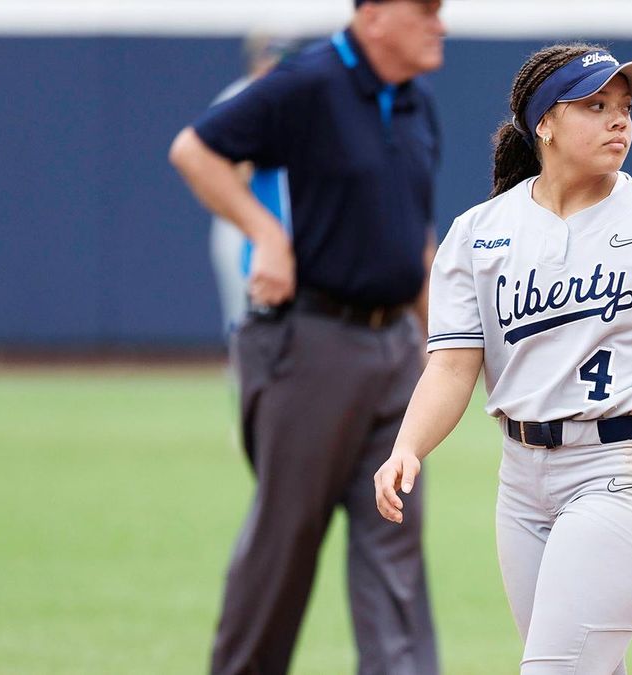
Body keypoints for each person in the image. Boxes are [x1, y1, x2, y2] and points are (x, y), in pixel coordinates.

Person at [375, 43, 632, 673]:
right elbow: (450, 366)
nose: (618, 120)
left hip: (624, 470)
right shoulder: (479, 233)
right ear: (544, 125)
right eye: (595, 105)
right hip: (520, 484)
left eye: (625, 108)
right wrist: (407, 446)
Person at [168, 1, 445, 673]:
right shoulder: (308, 82)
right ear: (375, 15)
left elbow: (416, 245)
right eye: (427, 9)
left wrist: (447, 350)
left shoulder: (417, 108)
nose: (441, 22)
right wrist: (265, 233)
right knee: (282, 549)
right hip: (311, 344)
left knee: (396, 556)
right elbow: (194, 150)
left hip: (397, 355)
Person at [208, 34, 299, 338]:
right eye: (268, 58)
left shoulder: (299, 100)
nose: (273, 67)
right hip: (242, 223)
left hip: (287, 224)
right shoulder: (240, 99)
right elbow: (212, 166)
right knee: (245, 321)